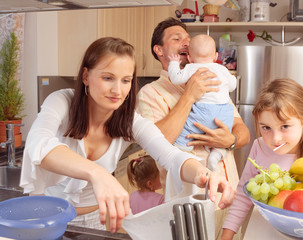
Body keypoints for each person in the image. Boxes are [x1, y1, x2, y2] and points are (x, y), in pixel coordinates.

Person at [19, 37, 236, 234]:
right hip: (48, 218)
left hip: (99, 220)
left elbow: (170, 155)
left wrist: (204, 174)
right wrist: (98, 173)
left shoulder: (129, 121)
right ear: (86, 76)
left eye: (125, 80)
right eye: (108, 78)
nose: (117, 90)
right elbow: (39, 143)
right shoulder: (61, 101)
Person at [136, 17, 250, 238]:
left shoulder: (213, 81)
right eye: (177, 38)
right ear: (159, 50)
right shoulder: (150, 93)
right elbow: (159, 142)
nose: (186, 43)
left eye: (188, 39)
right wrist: (189, 95)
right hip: (188, 205)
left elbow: (242, 130)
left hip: (229, 197)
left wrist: (230, 141)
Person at [220, 78, 303, 240]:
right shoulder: (259, 147)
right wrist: (226, 235)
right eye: (266, 127)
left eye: (285, 126)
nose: (276, 139)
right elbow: (244, 195)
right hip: (263, 232)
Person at [168, 34, 237, 172]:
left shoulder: (191, 67)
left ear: (189, 58)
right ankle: (216, 154)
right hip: (224, 112)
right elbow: (232, 85)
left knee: (186, 130)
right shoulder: (222, 69)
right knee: (224, 135)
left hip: (202, 111)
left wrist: (174, 63)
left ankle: (183, 149)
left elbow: (175, 78)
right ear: (216, 56)